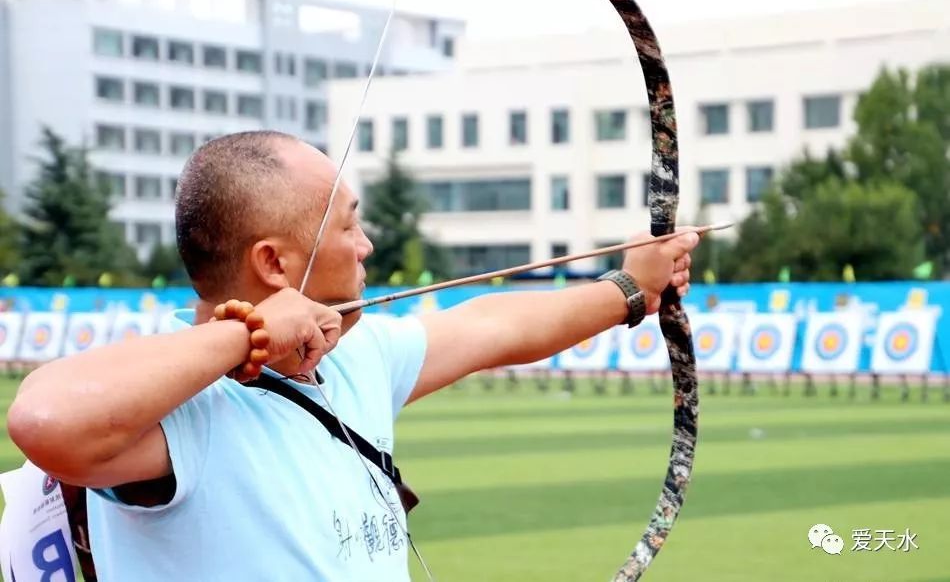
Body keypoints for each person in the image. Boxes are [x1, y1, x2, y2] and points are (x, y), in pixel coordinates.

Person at [6, 130, 700, 581]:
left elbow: (493, 326)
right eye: (348, 222)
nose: (365, 244)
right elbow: (44, 418)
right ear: (274, 262)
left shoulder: (353, 356)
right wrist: (244, 336)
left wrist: (627, 289)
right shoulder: (177, 407)